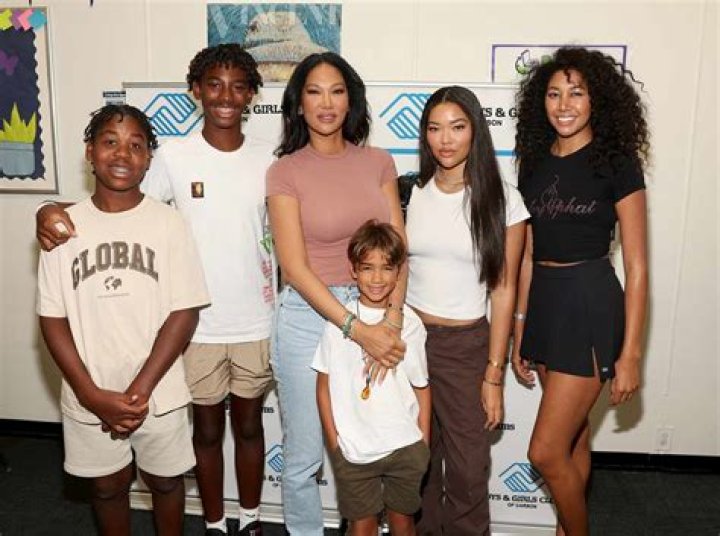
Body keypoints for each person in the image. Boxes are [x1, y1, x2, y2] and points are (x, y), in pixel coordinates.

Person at [36, 44, 274, 536]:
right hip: (195, 331)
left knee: (248, 427)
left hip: (252, 319)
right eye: (213, 84)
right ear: (195, 91)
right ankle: (213, 522)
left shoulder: (269, 159)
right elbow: (116, 201)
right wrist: (46, 209)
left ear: (252, 94)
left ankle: (250, 521)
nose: (225, 96)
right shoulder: (174, 158)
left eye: (237, 86)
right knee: (203, 434)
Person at [37, 104, 210, 536]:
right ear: (89, 152)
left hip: (158, 390)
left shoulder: (169, 223)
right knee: (107, 487)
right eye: (110, 142)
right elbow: (52, 320)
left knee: (166, 482)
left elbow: (185, 311)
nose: (122, 154)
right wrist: (90, 395)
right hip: (89, 391)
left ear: (149, 158)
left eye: (136, 145)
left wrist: (140, 390)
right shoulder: (62, 229)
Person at [266, 52, 406, 535]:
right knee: (304, 457)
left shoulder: (379, 162)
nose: (326, 103)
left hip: (376, 308)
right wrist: (355, 328)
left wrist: (389, 321)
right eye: (314, 92)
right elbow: (294, 267)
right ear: (298, 103)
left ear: (351, 101)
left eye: (337, 91)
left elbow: (399, 249)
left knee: (369, 446)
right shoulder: (285, 171)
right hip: (309, 317)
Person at [512, 47, 649, 536]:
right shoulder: (533, 163)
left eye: (576, 93)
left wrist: (631, 353)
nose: (564, 104)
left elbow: (637, 266)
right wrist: (520, 326)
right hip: (546, 302)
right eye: (554, 94)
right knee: (572, 441)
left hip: (589, 300)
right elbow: (527, 255)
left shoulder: (617, 163)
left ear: (596, 100)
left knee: (544, 452)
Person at [404, 86, 529, 535]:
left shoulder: (502, 199)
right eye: (434, 128)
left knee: (468, 471)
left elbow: (504, 289)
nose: (445, 139)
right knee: (417, 464)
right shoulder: (408, 192)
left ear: (475, 131)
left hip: (466, 347)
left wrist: (494, 374)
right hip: (411, 342)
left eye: (457, 127)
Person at [313, 220, 431, 536]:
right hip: (354, 450)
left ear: (398, 272)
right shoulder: (338, 323)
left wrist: (423, 444)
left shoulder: (410, 324)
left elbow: (422, 387)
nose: (377, 278)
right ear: (353, 270)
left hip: (405, 445)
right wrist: (334, 443)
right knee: (361, 526)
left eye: (386, 268)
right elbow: (323, 386)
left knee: (403, 523)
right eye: (367, 268)